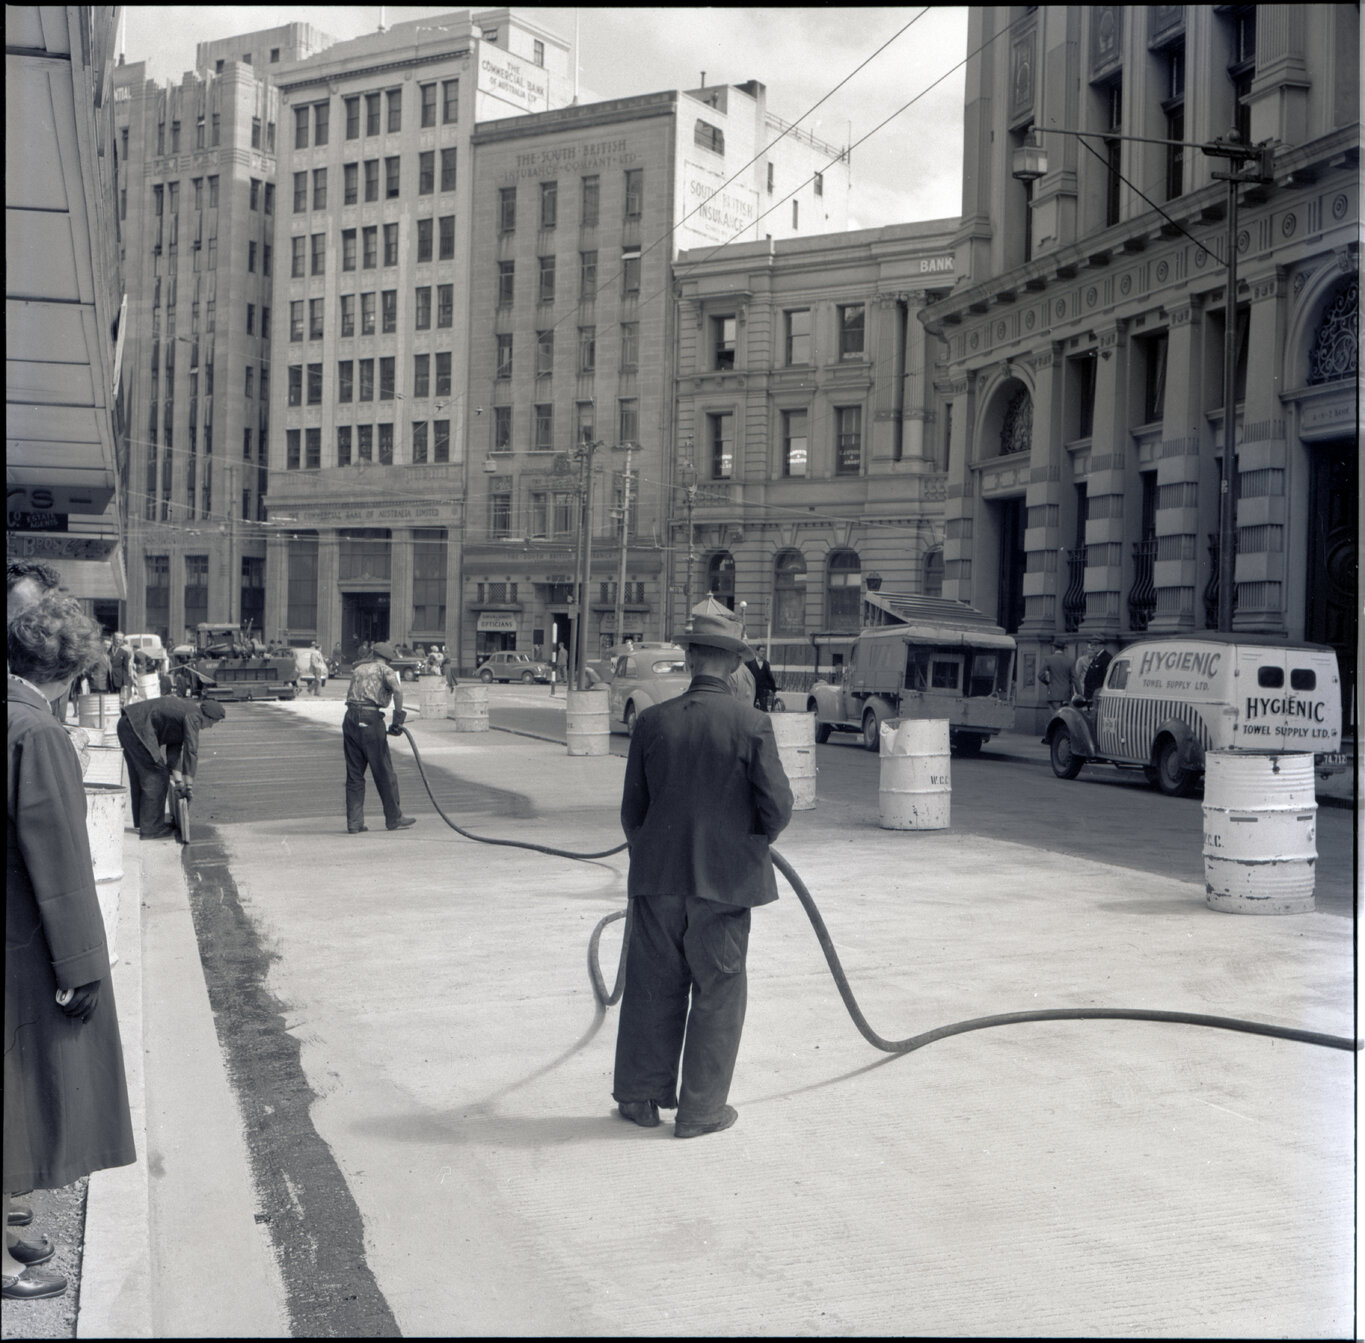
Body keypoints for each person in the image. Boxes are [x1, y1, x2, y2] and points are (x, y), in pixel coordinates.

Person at [612, 612, 794, 1139]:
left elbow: (632, 812)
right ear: (738, 663)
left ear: (690, 659)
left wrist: (658, 853)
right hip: (724, 883)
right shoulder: (752, 724)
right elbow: (777, 809)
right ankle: (700, 1113)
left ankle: (640, 1099)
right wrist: (741, 844)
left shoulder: (651, 721)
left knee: (652, 988)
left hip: (658, 879)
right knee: (718, 992)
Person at [6, 595, 137, 1300]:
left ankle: (5, 1230)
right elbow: (58, 857)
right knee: (17, 1095)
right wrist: (81, 963)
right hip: (21, 938)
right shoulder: (38, 732)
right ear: (75, 670)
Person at [116, 693, 226, 839]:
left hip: (128, 724)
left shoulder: (185, 713)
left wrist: (179, 784)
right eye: (213, 722)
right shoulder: (193, 717)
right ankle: (152, 829)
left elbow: (174, 752)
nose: (211, 726)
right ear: (207, 717)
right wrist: (189, 786)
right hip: (137, 727)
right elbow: (190, 751)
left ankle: (144, 823)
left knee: (142, 775)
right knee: (157, 775)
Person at [342, 641, 416, 834]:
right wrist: (398, 720)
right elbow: (398, 691)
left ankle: (354, 822)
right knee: (384, 771)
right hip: (370, 719)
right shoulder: (386, 670)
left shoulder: (359, 668)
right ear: (388, 658)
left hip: (350, 719)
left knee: (354, 774)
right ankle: (394, 818)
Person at [1038, 639, 1073, 712]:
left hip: (1054, 693)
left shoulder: (1048, 659)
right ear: (1063, 649)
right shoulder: (1070, 660)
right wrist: (1080, 694)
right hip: (1066, 694)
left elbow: (1040, 675)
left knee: (1055, 715)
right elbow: (1075, 679)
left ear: (1054, 648)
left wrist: (1048, 683)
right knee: (1065, 715)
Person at [746, 645, 778, 713]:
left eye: (764, 651)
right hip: (752, 690)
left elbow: (769, 677)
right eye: (761, 651)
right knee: (750, 709)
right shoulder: (749, 663)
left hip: (763, 691)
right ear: (757, 652)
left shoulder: (766, 664)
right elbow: (746, 675)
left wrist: (773, 688)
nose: (763, 653)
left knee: (764, 710)